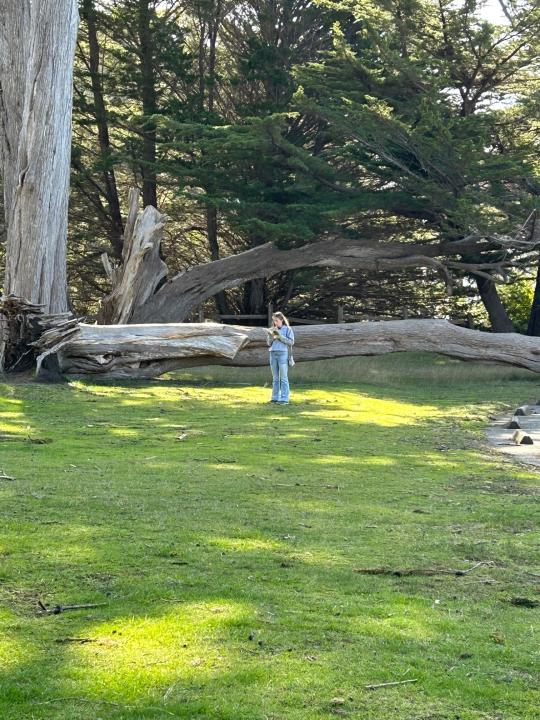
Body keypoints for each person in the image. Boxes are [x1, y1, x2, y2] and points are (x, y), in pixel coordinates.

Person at [266, 312, 294, 404]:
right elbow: (268, 344)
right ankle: (274, 398)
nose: (275, 323)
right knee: (275, 378)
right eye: (274, 321)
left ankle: (284, 399)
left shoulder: (288, 329)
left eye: (276, 320)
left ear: (281, 320)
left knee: (283, 377)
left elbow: (291, 342)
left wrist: (280, 337)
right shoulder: (272, 329)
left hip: (283, 354)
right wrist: (272, 337)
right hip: (273, 354)